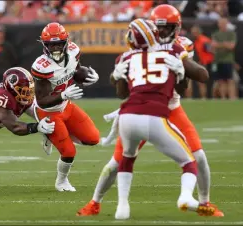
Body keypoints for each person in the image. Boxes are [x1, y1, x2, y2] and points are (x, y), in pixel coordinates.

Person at [77, 5, 223, 217]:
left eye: (167, 28)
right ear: (153, 29)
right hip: (148, 110)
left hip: (171, 107)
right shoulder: (140, 51)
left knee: (199, 157)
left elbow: (192, 80)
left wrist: (181, 71)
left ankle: (204, 202)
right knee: (114, 163)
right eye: (160, 28)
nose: (163, 32)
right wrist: (117, 78)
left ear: (176, 28)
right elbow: (124, 87)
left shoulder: (179, 47)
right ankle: (94, 202)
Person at [31, 22, 100, 192]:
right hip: (48, 112)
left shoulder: (74, 51)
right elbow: (41, 100)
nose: (55, 47)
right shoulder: (41, 66)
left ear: (66, 42)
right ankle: (61, 181)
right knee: (69, 151)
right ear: (44, 45)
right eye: (51, 44)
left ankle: (53, 136)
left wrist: (89, 76)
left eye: (58, 43)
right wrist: (63, 95)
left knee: (93, 138)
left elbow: (75, 71)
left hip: (66, 106)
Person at [211, 17, 237, 100]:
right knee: (221, 80)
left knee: (230, 80)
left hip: (228, 60)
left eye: (223, 23)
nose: (222, 24)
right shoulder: (215, 34)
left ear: (226, 24)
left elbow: (232, 46)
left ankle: (232, 97)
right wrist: (225, 44)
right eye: (220, 23)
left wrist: (219, 45)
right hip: (218, 60)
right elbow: (213, 46)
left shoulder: (231, 34)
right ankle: (223, 98)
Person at [189, 25, 214, 99]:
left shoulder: (204, 41)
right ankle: (202, 97)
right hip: (198, 63)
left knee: (201, 82)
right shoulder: (196, 40)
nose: (193, 34)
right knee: (199, 82)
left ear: (198, 32)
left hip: (204, 64)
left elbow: (211, 52)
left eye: (194, 32)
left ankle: (204, 97)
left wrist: (203, 62)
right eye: (192, 32)